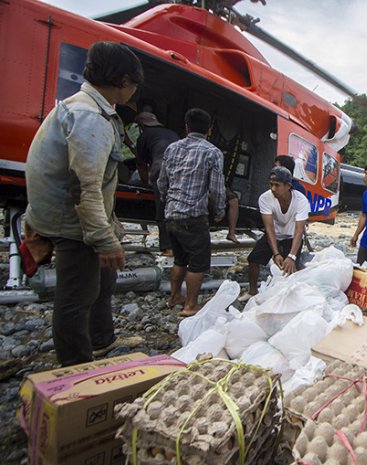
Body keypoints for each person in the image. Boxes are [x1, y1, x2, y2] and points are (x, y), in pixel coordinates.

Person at [24, 42, 144, 366]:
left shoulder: (82, 105)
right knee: (76, 297)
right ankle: (76, 370)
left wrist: (110, 224)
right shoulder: (90, 118)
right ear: (122, 80)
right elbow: (85, 188)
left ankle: (101, 340)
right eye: (133, 83)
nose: (133, 91)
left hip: (70, 215)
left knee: (103, 280)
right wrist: (104, 240)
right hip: (72, 224)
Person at [158, 108, 226, 317]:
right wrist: (219, 210)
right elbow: (216, 188)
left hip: (171, 215)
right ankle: (190, 305)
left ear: (186, 126)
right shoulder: (212, 152)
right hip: (193, 216)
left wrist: (167, 201)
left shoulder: (172, 149)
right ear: (209, 129)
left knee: (180, 259)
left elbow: (162, 182)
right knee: (198, 262)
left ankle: (174, 297)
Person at [247, 166, 310, 294]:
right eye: (271, 184)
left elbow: (299, 230)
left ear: (288, 186)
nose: (273, 189)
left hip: (292, 236)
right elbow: (269, 228)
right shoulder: (265, 198)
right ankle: (252, 291)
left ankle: (293, 293)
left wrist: (291, 256)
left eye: (277, 185)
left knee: (290, 267)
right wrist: (276, 253)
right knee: (253, 259)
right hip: (274, 234)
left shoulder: (301, 201)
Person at [135, 111, 179, 255]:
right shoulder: (172, 133)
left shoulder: (144, 136)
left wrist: (144, 184)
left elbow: (141, 164)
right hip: (180, 171)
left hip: (161, 171)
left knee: (162, 208)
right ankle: (180, 245)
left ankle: (168, 247)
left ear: (142, 125)